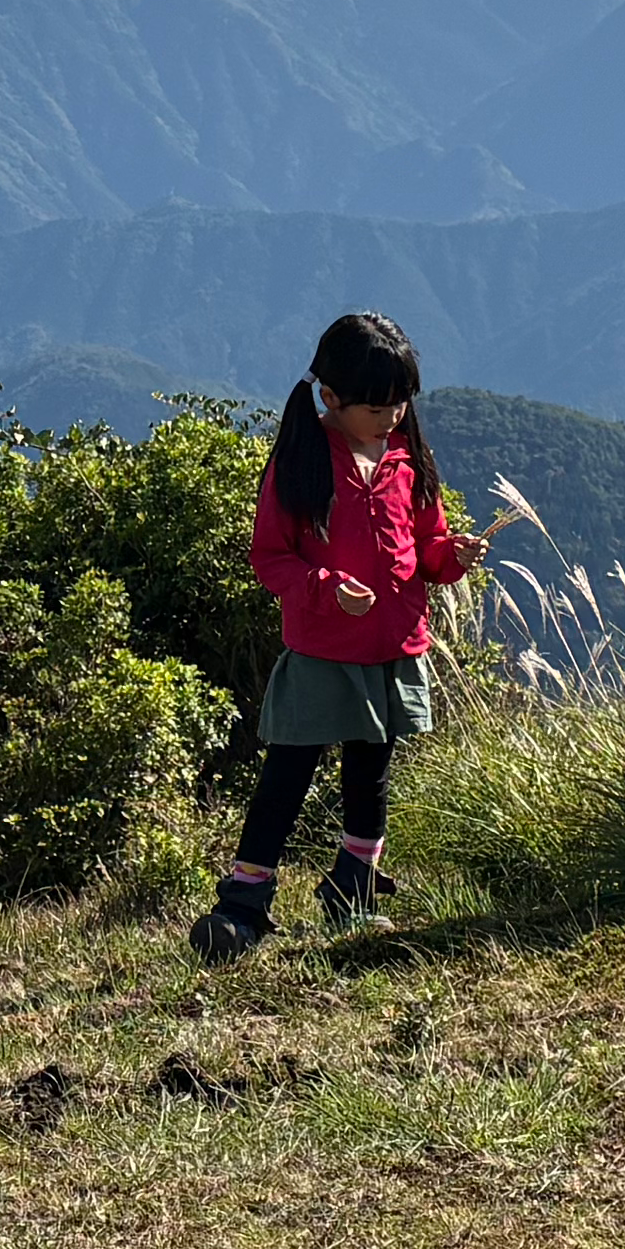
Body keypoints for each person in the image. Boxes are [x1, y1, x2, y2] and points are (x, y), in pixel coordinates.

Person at [190, 312, 486, 958]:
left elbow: (427, 548)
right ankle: (242, 903)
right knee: (286, 775)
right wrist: (326, 587)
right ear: (329, 396)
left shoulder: (407, 458)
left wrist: (452, 556)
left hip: (393, 646)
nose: (391, 416)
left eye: (400, 402)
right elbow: (270, 557)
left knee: (369, 774)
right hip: (322, 650)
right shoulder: (301, 462)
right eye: (375, 407)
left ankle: (354, 889)